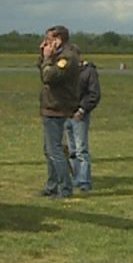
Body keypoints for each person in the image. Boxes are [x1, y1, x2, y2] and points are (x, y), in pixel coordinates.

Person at [36, 25, 80, 198]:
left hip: (57, 107)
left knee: (55, 150)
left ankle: (65, 188)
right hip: (50, 107)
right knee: (49, 150)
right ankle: (52, 185)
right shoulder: (57, 55)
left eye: (48, 39)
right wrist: (43, 56)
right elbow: (42, 70)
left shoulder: (66, 58)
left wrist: (47, 58)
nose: (45, 43)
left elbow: (48, 76)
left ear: (58, 40)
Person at [66, 55, 100, 193]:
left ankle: (84, 180)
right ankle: (76, 178)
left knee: (81, 150)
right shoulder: (68, 70)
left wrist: (82, 110)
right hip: (66, 113)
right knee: (72, 150)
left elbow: (94, 94)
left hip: (80, 116)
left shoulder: (89, 71)